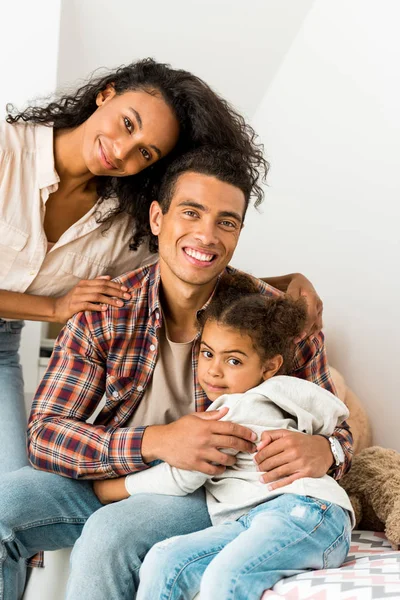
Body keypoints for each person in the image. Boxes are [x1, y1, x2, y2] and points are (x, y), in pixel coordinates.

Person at [0, 148, 352, 600]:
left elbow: (338, 428)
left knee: (111, 536)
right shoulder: (104, 312)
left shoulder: (276, 322)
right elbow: (45, 436)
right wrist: (155, 441)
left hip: (212, 491)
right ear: (157, 219)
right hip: (115, 471)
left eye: (226, 222)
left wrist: (326, 450)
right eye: (191, 212)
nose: (206, 236)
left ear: (239, 233)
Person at [0, 56, 279, 474]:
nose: (122, 151)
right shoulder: (7, 150)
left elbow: (189, 272)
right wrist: (54, 310)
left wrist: (289, 285)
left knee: (13, 484)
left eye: (145, 152)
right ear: (105, 93)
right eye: (128, 124)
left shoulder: (125, 222)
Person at [94, 273, 354, 600]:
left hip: (306, 514)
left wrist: (110, 488)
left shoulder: (237, 412)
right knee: (163, 561)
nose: (214, 370)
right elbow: (330, 412)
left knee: (225, 579)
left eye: (233, 360)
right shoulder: (275, 397)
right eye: (207, 354)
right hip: (248, 518)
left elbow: (181, 476)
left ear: (270, 366)